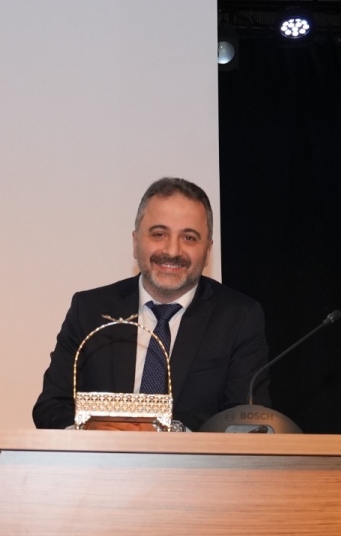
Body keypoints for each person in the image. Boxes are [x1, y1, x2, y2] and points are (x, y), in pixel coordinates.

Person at [32, 177, 270, 430]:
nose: (172, 251)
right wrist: (90, 430)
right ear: (136, 243)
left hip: (191, 457)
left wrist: (170, 435)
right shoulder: (90, 309)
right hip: (101, 455)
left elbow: (247, 424)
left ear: (208, 251)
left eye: (189, 238)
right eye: (159, 234)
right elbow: (51, 406)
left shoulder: (239, 317)